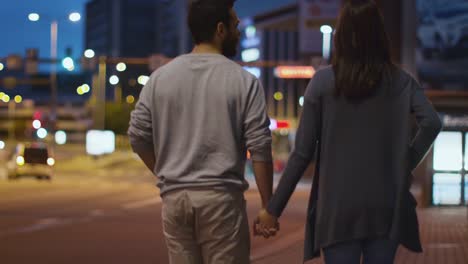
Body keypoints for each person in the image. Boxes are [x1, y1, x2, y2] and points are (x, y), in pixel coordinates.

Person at [255, 0, 442, 263]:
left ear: (340, 37)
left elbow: (302, 154)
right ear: (380, 36)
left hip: (336, 208)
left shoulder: (322, 82)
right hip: (385, 205)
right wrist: (406, 161)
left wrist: (273, 210)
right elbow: (432, 122)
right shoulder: (401, 80)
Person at [128, 0, 275, 263]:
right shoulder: (243, 81)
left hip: (175, 200)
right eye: (235, 25)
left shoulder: (160, 78)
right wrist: (267, 207)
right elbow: (260, 147)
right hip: (220, 201)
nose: (239, 31)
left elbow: (137, 136)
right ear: (220, 29)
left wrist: (165, 173)